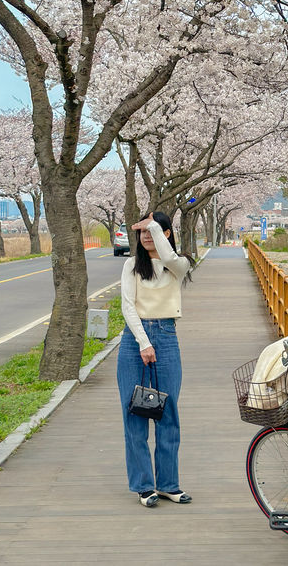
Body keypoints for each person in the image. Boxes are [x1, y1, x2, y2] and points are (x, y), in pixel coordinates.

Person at [116, 211, 193, 508]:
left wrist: (154, 227)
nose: (147, 236)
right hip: (135, 340)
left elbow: (170, 259)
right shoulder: (132, 265)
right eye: (143, 232)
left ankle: (168, 485)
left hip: (167, 335)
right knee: (134, 411)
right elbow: (127, 305)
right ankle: (143, 485)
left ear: (167, 234)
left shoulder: (179, 265)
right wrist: (144, 343)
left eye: (154, 231)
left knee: (168, 411)